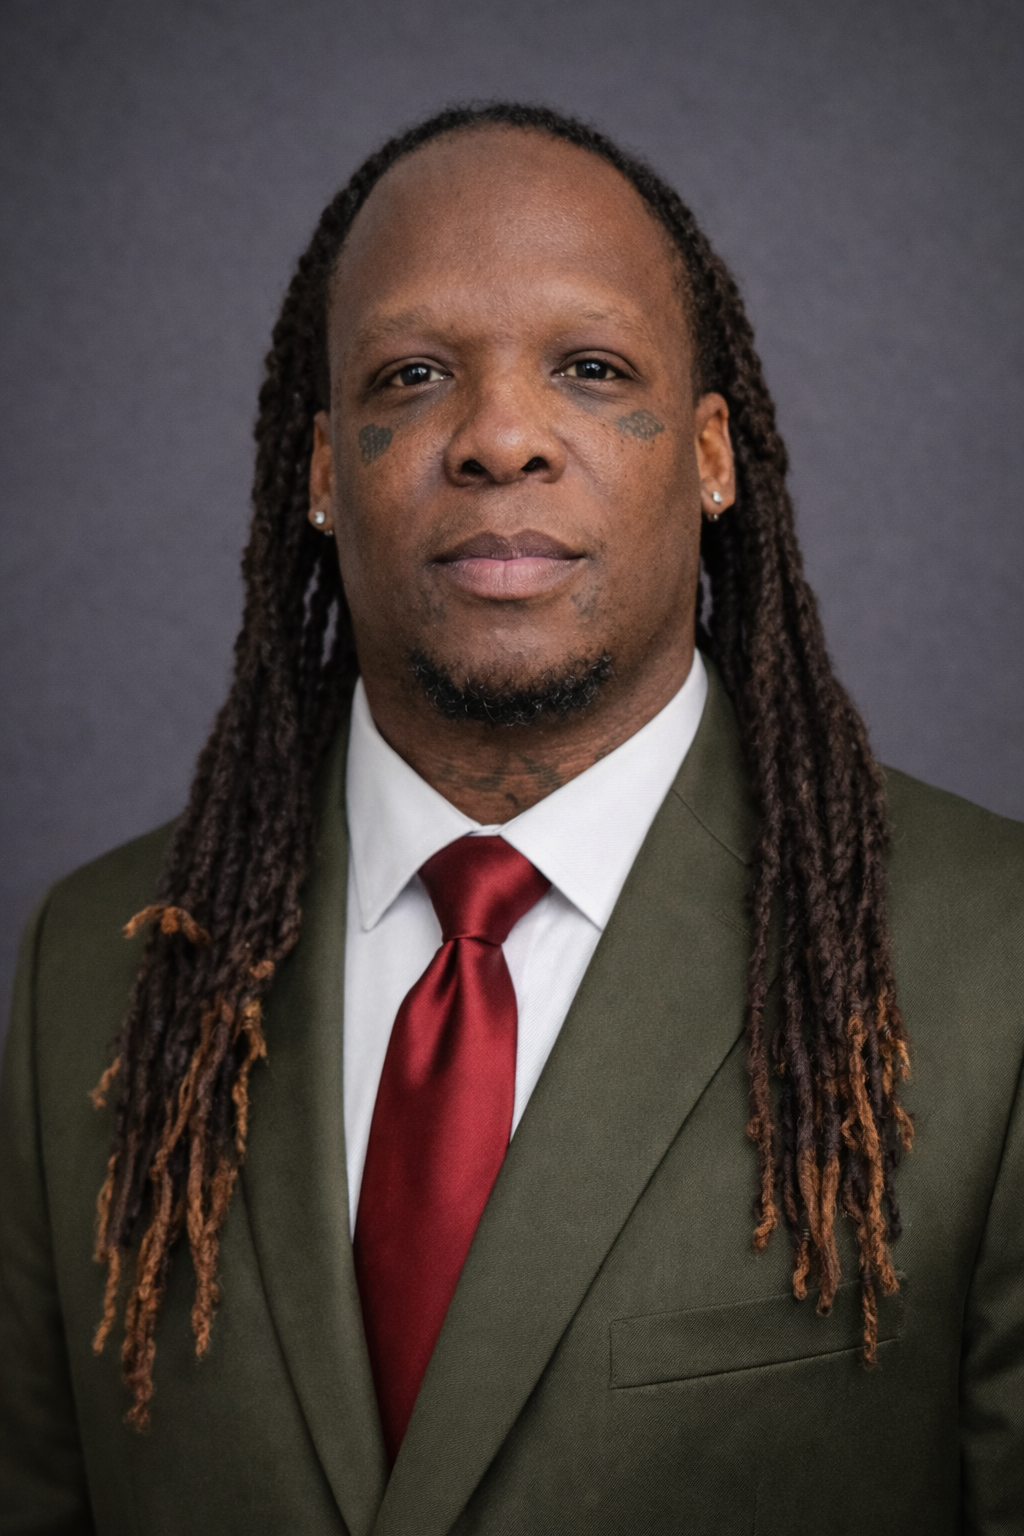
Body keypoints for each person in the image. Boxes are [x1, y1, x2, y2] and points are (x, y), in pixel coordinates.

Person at [0, 103, 1020, 1536]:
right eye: (413, 375)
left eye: (591, 370)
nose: (497, 437)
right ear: (321, 470)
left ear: (713, 455)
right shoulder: (92, 974)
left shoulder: (996, 964)